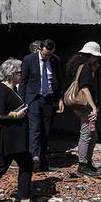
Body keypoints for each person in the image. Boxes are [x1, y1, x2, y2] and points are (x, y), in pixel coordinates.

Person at [0, 58, 39, 202]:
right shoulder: (1, 90)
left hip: (16, 139)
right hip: (7, 139)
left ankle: (24, 200)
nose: (22, 75)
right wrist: (16, 115)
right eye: (19, 73)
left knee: (26, 164)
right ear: (11, 74)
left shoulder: (12, 89)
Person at [18, 39, 64, 172]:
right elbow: (23, 82)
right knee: (35, 128)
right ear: (39, 49)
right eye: (45, 54)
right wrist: (22, 101)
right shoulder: (29, 60)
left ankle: (43, 162)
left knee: (46, 130)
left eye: (49, 54)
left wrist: (60, 98)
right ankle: (34, 157)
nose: (46, 57)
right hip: (33, 98)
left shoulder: (55, 60)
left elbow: (58, 81)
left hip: (48, 99)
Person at [65, 42, 101, 177]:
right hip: (86, 107)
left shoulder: (82, 67)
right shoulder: (85, 67)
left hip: (85, 107)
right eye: (96, 57)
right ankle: (83, 165)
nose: (97, 60)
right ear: (91, 55)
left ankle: (87, 162)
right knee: (87, 134)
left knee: (93, 134)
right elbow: (85, 89)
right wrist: (94, 107)